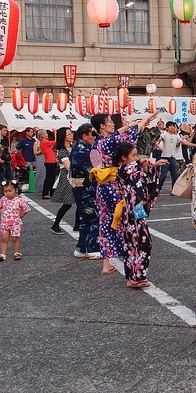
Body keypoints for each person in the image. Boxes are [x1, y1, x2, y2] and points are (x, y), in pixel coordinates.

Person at [91, 111, 158, 275]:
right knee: (132, 217)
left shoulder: (98, 143)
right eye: (110, 121)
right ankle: (135, 254)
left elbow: (118, 134)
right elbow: (127, 134)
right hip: (116, 185)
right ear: (102, 125)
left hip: (102, 188)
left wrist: (141, 121)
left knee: (106, 222)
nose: (113, 124)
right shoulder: (110, 143)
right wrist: (141, 121)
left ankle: (106, 262)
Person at [112, 142, 166, 288]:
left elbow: (147, 180)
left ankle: (133, 276)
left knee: (132, 244)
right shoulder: (123, 170)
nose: (136, 158)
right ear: (124, 158)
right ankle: (136, 276)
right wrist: (141, 161)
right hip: (131, 209)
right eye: (133, 156)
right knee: (142, 243)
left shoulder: (132, 170)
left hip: (135, 208)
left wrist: (154, 167)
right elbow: (131, 168)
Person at [69, 124, 101, 261]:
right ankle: (92, 248)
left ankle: (81, 248)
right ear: (84, 136)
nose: (94, 137)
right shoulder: (82, 151)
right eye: (92, 135)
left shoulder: (81, 148)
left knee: (85, 219)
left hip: (82, 187)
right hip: (85, 188)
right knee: (93, 216)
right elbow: (97, 166)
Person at [50, 127, 76, 236]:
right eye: (69, 134)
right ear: (63, 137)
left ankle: (78, 225)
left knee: (78, 201)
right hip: (67, 178)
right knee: (67, 203)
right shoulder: (62, 151)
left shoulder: (74, 147)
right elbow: (68, 167)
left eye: (71, 133)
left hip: (75, 176)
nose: (71, 135)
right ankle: (55, 225)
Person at [0, 179, 30, 262]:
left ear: (16, 190)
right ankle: (3, 254)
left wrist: (20, 217)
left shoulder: (19, 200)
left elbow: (26, 209)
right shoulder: (3, 199)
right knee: (4, 238)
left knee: (15, 238)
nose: (7, 193)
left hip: (15, 223)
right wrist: (2, 212)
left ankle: (17, 252)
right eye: (5, 191)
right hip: (4, 222)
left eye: (10, 191)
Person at [158, 121, 183, 191]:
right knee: (163, 175)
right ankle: (158, 189)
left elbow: (183, 142)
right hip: (165, 158)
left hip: (173, 158)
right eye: (171, 126)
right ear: (167, 127)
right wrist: (157, 139)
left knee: (175, 175)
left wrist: (193, 144)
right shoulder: (165, 134)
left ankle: (173, 189)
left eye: (174, 126)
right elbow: (160, 139)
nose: (173, 128)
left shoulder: (176, 136)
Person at [38, 130, 57, 199]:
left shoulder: (44, 143)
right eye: (46, 133)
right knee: (49, 178)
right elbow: (55, 142)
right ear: (42, 135)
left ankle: (51, 192)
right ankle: (45, 193)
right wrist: (55, 133)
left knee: (52, 178)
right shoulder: (44, 142)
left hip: (51, 161)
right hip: (49, 162)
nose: (47, 134)